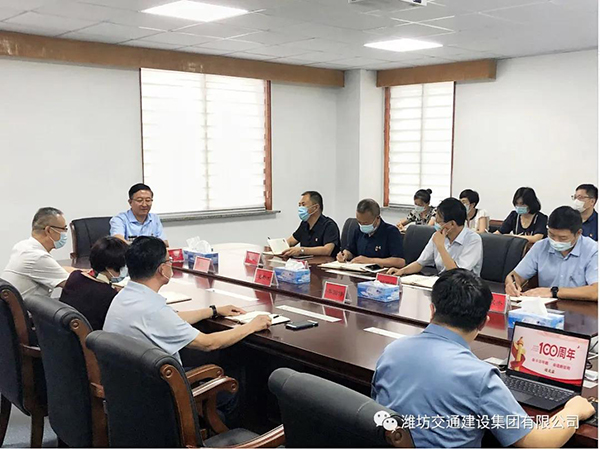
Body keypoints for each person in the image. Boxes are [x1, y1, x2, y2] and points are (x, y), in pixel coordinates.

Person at [372, 269, 595, 448]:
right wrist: (573, 411)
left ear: (432, 310)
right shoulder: (477, 376)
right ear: (483, 323)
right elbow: (536, 443)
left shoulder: (392, 352)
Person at [103, 236, 271, 365]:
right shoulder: (153, 310)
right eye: (169, 261)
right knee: (236, 362)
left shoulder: (124, 296)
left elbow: (170, 319)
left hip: (127, 385)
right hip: (161, 391)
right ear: (162, 269)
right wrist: (251, 326)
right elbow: (209, 343)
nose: (171, 264)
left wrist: (213, 311)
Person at [505, 206, 598, 301]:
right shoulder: (541, 246)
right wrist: (512, 285)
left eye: (563, 238)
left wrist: (553, 292)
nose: (555, 241)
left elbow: (596, 291)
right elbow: (515, 276)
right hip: (546, 306)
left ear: (578, 233)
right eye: (551, 235)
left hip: (581, 306)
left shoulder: (593, 250)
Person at [388, 197, 483, 276]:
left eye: (439, 222)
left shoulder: (473, 240)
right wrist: (402, 271)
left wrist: (440, 247)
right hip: (443, 283)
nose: (436, 225)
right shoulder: (438, 235)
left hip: (466, 286)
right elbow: (420, 263)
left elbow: (457, 275)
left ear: (452, 224)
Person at [2, 207, 73, 300]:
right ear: (49, 230)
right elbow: (73, 284)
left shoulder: (22, 246)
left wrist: (81, 271)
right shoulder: (38, 257)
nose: (65, 233)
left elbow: (56, 269)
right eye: (64, 229)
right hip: (27, 308)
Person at [60, 236, 128, 330]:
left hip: (65, 332)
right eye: (121, 267)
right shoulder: (108, 295)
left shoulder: (75, 276)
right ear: (109, 267)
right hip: (92, 337)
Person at [337, 199, 404, 269]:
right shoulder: (358, 230)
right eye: (359, 222)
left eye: (366, 223)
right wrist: (345, 255)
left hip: (381, 273)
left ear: (377, 218)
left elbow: (400, 262)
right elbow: (351, 251)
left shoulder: (391, 232)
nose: (362, 225)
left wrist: (370, 261)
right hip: (358, 271)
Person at [282, 191, 340, 257]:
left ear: (315, 207)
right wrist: (278, 247)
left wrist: (302, 250)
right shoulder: (304, 224)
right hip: (306, 261)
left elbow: (327, 250)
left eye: (303, 205)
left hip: (325, 262)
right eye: (299, 205)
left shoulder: (329, 225)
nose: (300, 208)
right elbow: (290, 241)